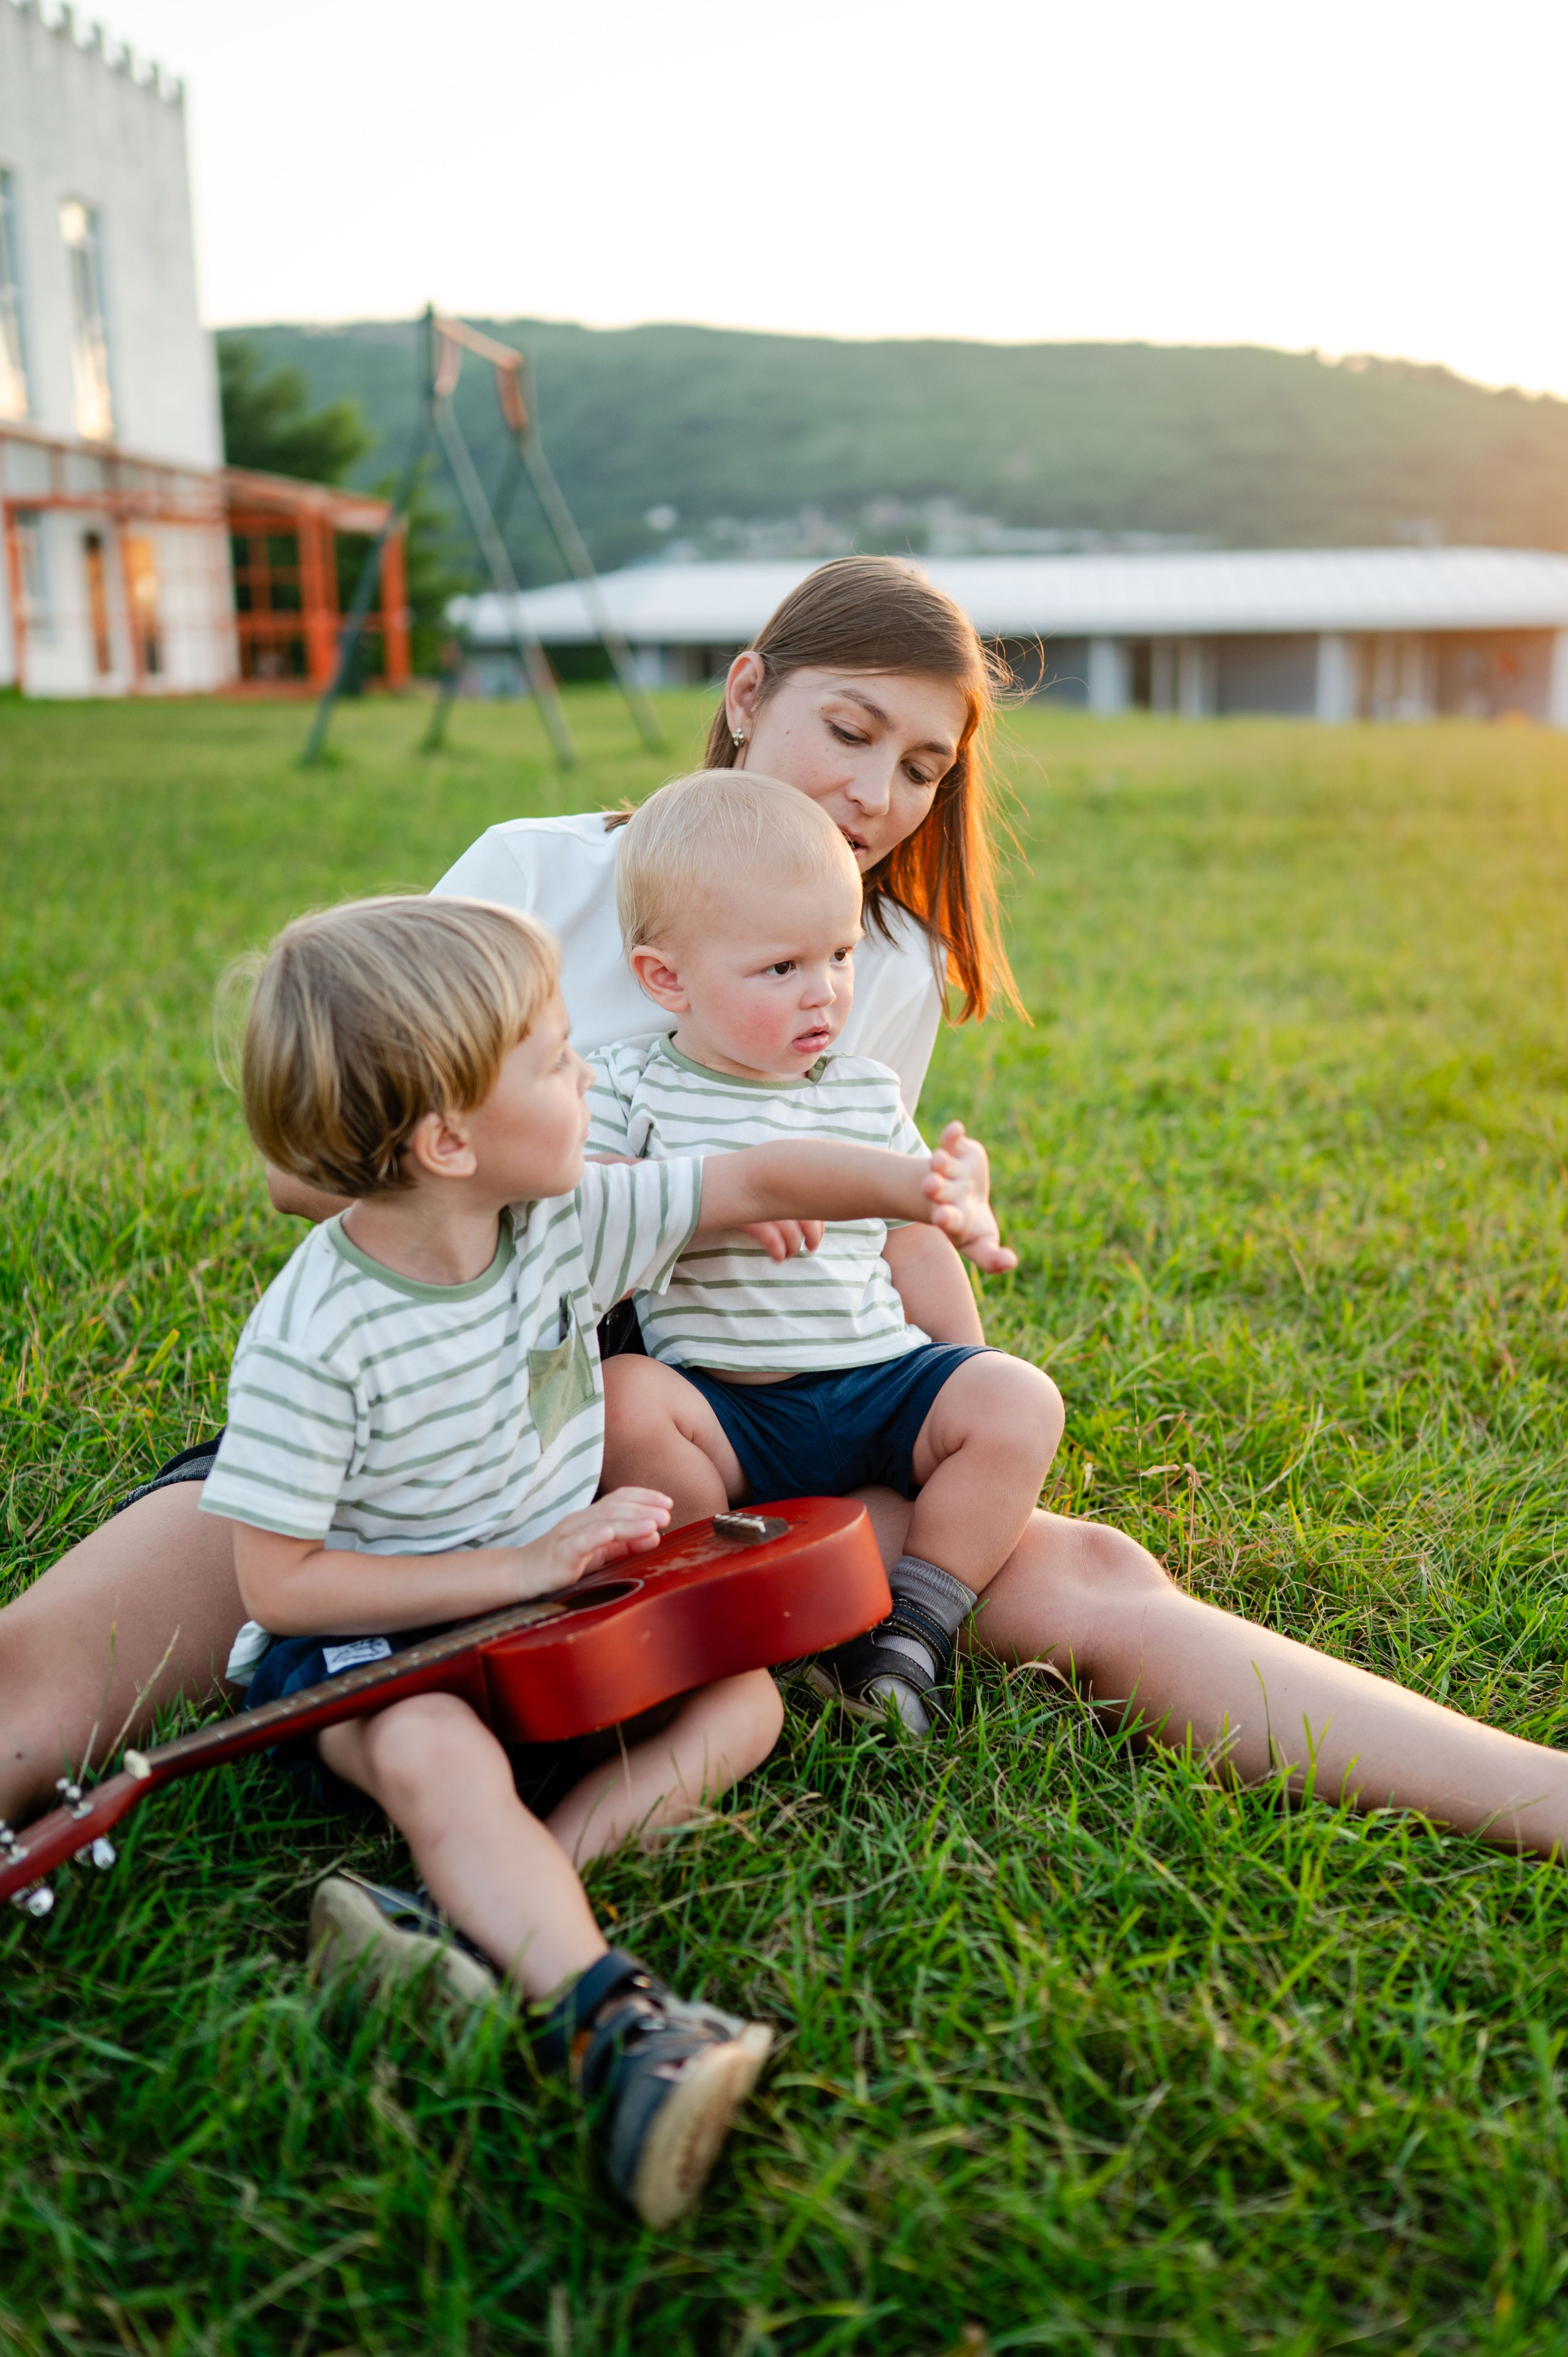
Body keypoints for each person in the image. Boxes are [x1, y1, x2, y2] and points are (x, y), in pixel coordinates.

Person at [9, 555, 1568, 1861]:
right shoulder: (530, 875)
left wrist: (951, 1387)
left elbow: (873, 1236)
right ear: (746, 694)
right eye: (848, 729)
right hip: (438, 1422)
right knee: (46, 1687)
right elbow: (314, 1161)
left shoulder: (878, 968)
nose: (878, 792)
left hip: (720, 1432)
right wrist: (614, 1193)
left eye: (921, 766)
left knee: (1094, 1577)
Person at [189, 889, 1006, 2222]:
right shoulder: (314, 1332)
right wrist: (522, 1569)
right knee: (428, 1753)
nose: (591, 1077)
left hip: (547, 1622)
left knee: (742, 1700)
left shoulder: (562, 1220)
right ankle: (610, 2021)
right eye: (559, 1059)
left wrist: (917, 1190)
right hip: (364, 1649)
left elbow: (753, 1178)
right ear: (451, 1137)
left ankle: (471, 1921)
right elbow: (278, 1586)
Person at [586, 768, 1063, 1736]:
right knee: (628, 1400)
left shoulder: (858, 1092)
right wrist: (708, 1205)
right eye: (782, 969)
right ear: (666, 978)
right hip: (725, 1411)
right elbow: (585, 1232)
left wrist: (961, 1366)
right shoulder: (630, 1087)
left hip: (874, 1384)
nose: (826, 995)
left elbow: (911, 1243)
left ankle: (916, 1633)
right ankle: (737, 1609)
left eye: (840, 956)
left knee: (1018, 1395)